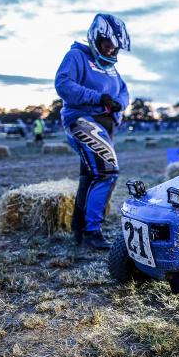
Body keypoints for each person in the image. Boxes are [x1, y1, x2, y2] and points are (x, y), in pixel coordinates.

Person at [55, 13, 130, 249]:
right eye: (107, 45)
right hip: (81, 120)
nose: (111, 51)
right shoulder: (77, 56)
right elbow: (63, 85)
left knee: (90, 177)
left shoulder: (111, 69)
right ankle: (92, 233)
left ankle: (79, 230)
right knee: (107, 172)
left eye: (115, 47)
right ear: (96, 39)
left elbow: (124, 91)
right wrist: (99, 98)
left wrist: (119, 103)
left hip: (105, 125)